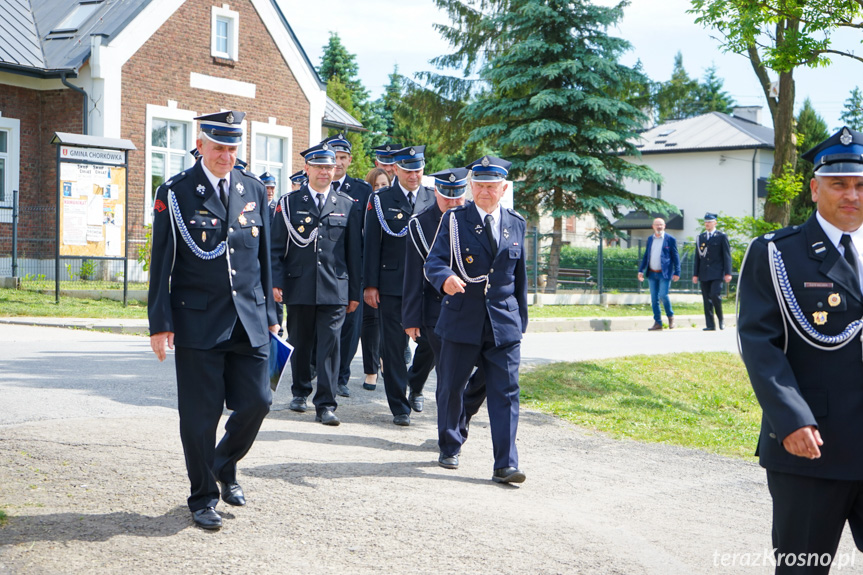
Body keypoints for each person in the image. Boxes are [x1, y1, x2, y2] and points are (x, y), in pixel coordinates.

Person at [738, 126, 863, 574]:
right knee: (802, 569)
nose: (852, 194)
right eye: (840, 184)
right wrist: (790, 419)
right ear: (815, 188)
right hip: (811, 446)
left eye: (861, 185)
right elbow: (759, 344)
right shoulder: (777, 253)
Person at [148, 110, 278, 530]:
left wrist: (272, 316)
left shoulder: (253, 189)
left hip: (249, 319)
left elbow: (262, 262)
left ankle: (224, 464)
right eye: (218, 147)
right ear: (200, 145)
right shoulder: (177, 191)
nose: (226, 155)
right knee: (200, 417)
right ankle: (203, 495)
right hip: (198, 322)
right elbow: (161, 264)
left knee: (259, 401)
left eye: (232, 147)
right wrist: (159, 323)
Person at [425, 155, 528, 483]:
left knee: (506, 392)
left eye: (491, 186)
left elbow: (520, 279)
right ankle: (450, 444)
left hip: (502, 323)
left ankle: (505, 464)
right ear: (471, 187)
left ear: (504, 187)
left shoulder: (516, 223)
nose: (485, 191)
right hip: (462, 318)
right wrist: (444, 278)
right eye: (479, 185)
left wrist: (519, 321)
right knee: (451, 387)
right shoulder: (455, 220)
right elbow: (434, 261)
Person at [271, 142, 361, 426]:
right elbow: (275, 249)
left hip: (335, 287)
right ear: (307, 169)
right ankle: (299, 392)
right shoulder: (289, 204)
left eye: (329, 166)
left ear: (336, 169)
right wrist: (275, 282)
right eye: (319, 166)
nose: (325, 171)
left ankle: (326, 404)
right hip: (299, 285)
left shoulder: (347, 205)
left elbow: (354, 253)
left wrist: (355, 292)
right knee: (300, 341)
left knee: (330, 346)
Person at [403, 167, 486, 469]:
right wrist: (411, 318)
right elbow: (412, 276)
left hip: (476, 312)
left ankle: (460, 415)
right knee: (449, 377)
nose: (452, 201)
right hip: (436, 312)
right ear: (435, 191)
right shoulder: (419, 224)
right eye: (446, 195)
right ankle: (449, 440)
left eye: (458, 194)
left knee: (488, 372)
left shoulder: (474, 218)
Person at [363, 145, 435, 425]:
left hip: (428, 286)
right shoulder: (381, 199)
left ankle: (415, 384)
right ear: (397, 170)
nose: (414, 175)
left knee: (430, 341)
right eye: (408, 170)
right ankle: (399, 406)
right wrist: (370, 284)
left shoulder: (432, 198)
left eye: (418, 169)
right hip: (392, 283)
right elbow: (371, 244)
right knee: (392, 347)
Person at [323, 133, 374, 399]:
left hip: (353, 267)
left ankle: (342, 376)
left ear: (350, 160)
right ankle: (318, 371)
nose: (338, 163)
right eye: (334, 157)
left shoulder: (363, 191)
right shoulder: (318, 184)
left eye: (343, 158)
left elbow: (368, 233)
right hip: (324, 265)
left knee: (350, 326)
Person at [360, 167, 392, 391]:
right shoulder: (366, 205)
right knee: (371, 321)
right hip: (369, 268)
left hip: (391, 270)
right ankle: (371, 370)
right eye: (376, 186)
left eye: (384, 185)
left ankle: (387, 361)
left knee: (390, 322)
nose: (380, 190)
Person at [637, 218, 680, 331]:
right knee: (654, 298)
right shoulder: (650, 239)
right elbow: (647, 255)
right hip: (652, 273)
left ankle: (670, 317)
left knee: (663, 295)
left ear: (664, 226)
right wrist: (641, 270)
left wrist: (677, 272)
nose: (659, 227)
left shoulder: (670, 239)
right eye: (657, 225)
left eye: (661, 225)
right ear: (653, 226)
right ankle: (658, 322)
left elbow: (676, 257)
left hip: (664, 274)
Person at [692, 212, 732, 331]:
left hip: (717, 272)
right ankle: (710, 324)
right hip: (704, 272)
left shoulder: (721, 236)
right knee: (706, 299)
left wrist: (728, 272)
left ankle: (721, 319)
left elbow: (726, 256)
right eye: (705, 222)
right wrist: (695, 274)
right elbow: (697, 257)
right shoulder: (701, 237)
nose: (707, 224)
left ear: (715, 223)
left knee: (715, 295)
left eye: (709, 222)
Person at [261, 171, 284, 337]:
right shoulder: (255, 205)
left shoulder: (278, 207)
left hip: (273, 258)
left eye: (272, 187)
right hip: (260, 258)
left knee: (276, 296)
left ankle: (278, 326)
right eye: (266, 187)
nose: (269, 191)